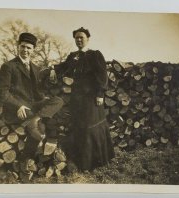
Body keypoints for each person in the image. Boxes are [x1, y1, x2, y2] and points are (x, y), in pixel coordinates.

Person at [50, 27, 115, 171]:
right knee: (80, 127)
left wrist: (100, 94)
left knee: (91, 127)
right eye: (76, 38)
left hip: (92, 97)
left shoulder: (95, 55)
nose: (79, 40)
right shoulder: (73, 56)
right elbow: (64, 67)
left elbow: (102, 75)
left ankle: (98, 161)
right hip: (77, 98)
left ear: (88, 39)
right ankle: (83, 162)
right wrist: (53, 69)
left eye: (82, 37)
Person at [0, 32, 64, 158]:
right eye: (23, 46)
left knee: (58, 100)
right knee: (40, 130)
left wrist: (50, 78)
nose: (25, 50)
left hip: (33, 107)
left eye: (29, 48)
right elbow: (2, 93)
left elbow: (38, 90)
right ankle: (26, 159)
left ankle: (35, 119)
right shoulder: (8, 66)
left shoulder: (35, 68)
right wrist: (18, 106)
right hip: (18, 109)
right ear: (18, 46)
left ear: (33, 49)